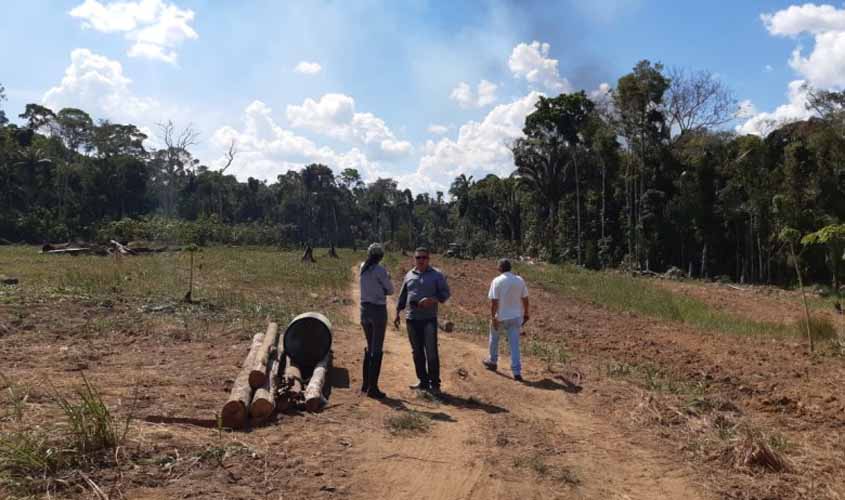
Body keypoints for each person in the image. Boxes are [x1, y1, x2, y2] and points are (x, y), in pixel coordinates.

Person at [394, 247, 450, 395]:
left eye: (424, 257)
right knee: (417, 352)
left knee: (431, 352)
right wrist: (397, 312)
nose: (421, 260)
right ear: (414, 259)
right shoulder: (409, 275)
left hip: (429, 319)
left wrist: (433, 300)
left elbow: (445, 294)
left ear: (428, 259)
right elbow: (403, 294)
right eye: (418, 257)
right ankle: (422, 381)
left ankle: (435, 384)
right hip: (411, 319)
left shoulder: (437, 275)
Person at [483, 258, 529, 381]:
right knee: (514, 344)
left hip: (501, 316)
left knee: (494, 338)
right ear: (510, 268)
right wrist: (526, 313)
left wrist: (493, 317)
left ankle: (492, 361)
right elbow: (525, 298)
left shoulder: (497, 281)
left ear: (500, 268)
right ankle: (517, 371)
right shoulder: (519, 280)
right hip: (515, 317)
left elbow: (494, 302)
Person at [359, 243, 394, 399]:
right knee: (377, 348)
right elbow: (390, 290)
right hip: (378, 311)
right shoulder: (380, 270)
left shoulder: (362, 267)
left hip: (364, 310)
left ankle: (365, 384)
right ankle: (373, 388)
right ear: (381, 256)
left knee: (369, 345)